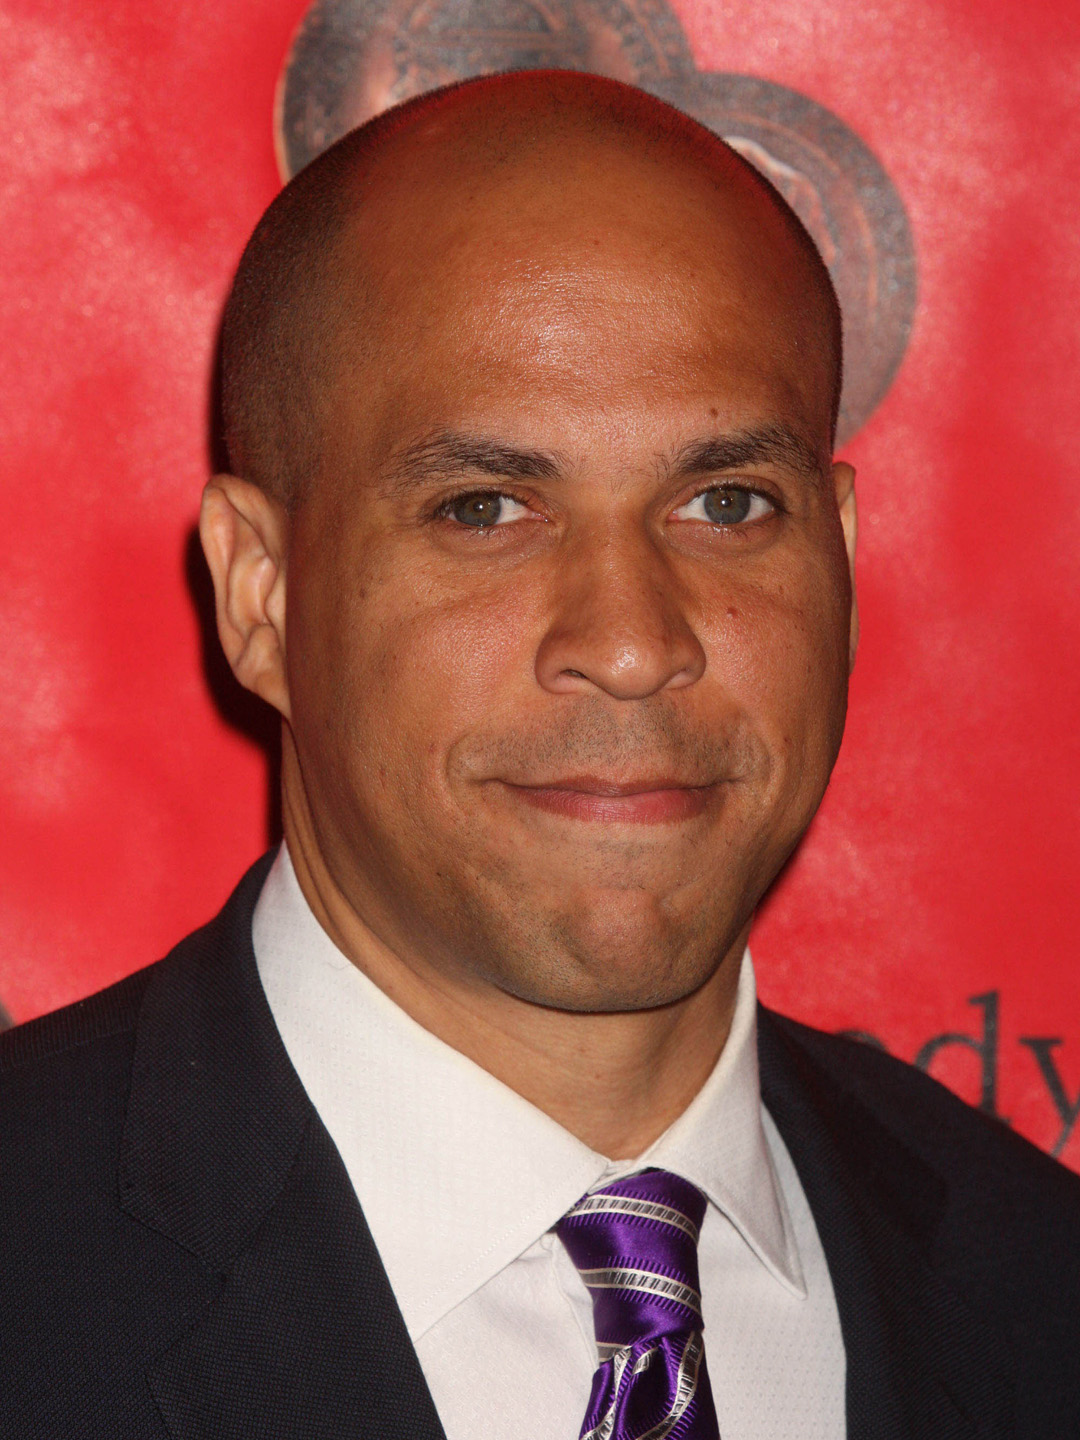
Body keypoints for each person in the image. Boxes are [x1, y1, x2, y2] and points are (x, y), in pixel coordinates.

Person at [1, 69, 1078, 1440]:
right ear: (261, 594)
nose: (630, 644)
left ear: (843, 564)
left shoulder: (1037, 1287)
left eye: (727, 503)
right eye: (485, 509)